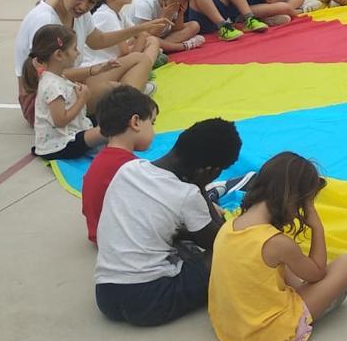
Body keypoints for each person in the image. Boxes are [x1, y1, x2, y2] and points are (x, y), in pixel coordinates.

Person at [94, 118, 242, 326]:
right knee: (228, 253)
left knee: (178, 236)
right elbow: (220, 241)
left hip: (106, 295)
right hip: (149, 300)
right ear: (210, 170)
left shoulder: (129, 169)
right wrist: (201, 189)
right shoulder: (187, 194)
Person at [208, 152, 347, 341]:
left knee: (281, 267)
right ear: (296, 200)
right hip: (265, 331)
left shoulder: (229, 226)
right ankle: (299, 319)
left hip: (232, 327)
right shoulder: (276, 243)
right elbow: (318, 274)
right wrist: (317, 227)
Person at [14, 0, 166, 126]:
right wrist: (93, 70)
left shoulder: (78, 12)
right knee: (112, 89)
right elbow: (47, 75)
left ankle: (128, 103)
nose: (83, 6)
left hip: (70, 84)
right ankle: (127, 110)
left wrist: (140, 29)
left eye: (91, 2)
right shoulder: (45, 20)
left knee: (139, 59)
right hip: (46, 101)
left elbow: (98, 40)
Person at [82, 86, 158, 243]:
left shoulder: (100, 159)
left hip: (99, 232)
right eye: (152, 122)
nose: (154, 131)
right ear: (136, 122)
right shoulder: (133, 168)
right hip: (121, 240)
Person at [26, 24, 105, 161]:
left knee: (108, 121)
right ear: (59, 55)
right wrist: (82, 99)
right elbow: (60, 121)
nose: (78, 53)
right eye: (74, 49)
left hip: (68, 135)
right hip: (59, 146)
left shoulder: (56, 78)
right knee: (108, 130)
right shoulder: (52, 85)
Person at [85, 0, 171, 69]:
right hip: (100, 65)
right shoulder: (106, 15)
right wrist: (141, 40)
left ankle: (142, 67)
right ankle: (141, 69)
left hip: (113, 58)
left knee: (152, 40)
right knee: (146, 47)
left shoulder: (119, 12)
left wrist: (142, 36)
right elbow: (124, 51)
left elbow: (140, 34)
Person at [122, 0, 205, 55]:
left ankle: (161, 48)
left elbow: (177, 29)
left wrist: (181, 13)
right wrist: (164, 16)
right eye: (175, 1)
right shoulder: (144, 3)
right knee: (147, 36)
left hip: (161, 37)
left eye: (181, 2)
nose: (177, 4)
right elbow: (148, 34)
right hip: (140, 39)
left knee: (194, 25)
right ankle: (181, 46)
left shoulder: (175, 2)